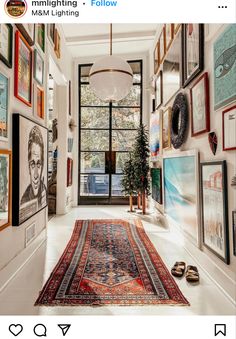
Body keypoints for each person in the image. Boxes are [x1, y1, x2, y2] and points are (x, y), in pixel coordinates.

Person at [20, 125, 47, 209]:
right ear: (28, 167)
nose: (35, 175)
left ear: (42, 166)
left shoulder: (44, 192)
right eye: (32, 164)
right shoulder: (24, 202)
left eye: (38, 164)